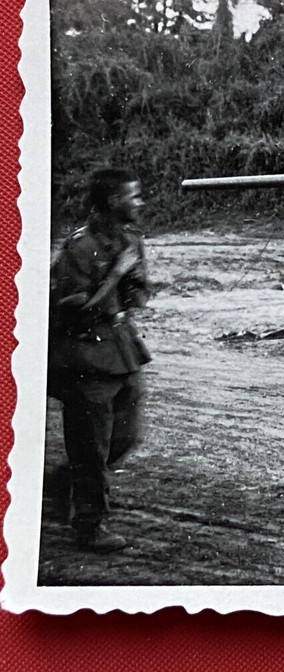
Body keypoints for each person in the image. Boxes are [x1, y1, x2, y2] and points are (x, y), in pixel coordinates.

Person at [49, 168, 151, 553]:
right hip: (86, 356)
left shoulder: (130, 238)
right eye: (133, 196)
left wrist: (133, 281)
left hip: (121, 349)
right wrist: (116, 273)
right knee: (90, 447)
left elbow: (137, 297)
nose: (140, 203)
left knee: (124, 436)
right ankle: (90, 526)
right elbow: (74, 312)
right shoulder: (79, 248)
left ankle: (63, 486)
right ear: (113, 201)